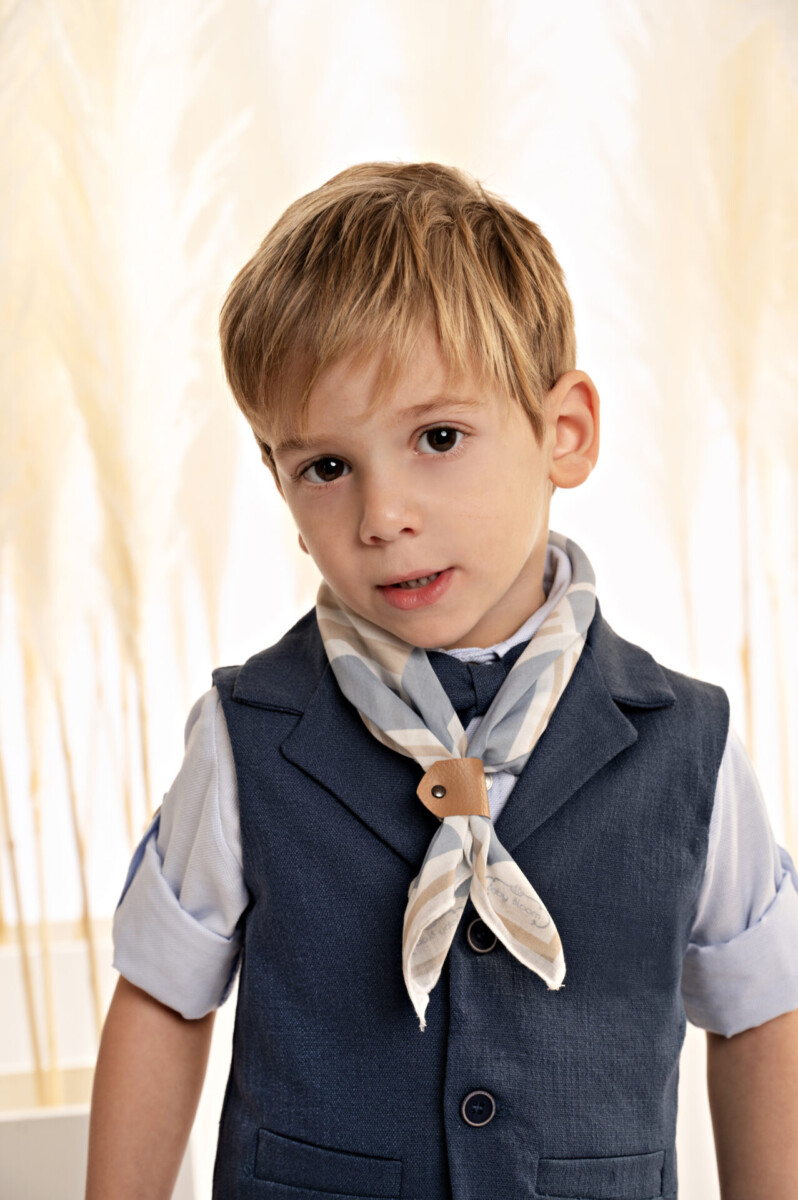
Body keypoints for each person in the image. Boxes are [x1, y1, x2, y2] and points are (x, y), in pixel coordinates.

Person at [86, 162, 798, 1200]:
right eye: (327, 467)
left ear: (565, 433)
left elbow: (760, 1010)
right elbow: (162, 997)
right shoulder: (248, 735)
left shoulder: (687, 743)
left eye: (438, 438)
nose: (383, 516)